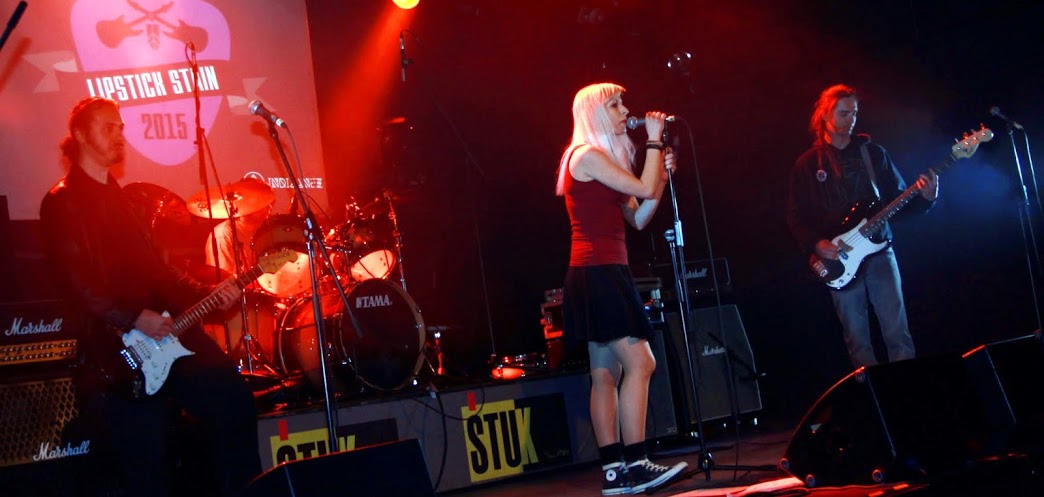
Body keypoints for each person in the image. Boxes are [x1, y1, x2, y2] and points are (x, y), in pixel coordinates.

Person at [39, 97, 262, 497]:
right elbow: (78, 284)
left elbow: (160, 272)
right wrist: (133, 318)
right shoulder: (62, 202)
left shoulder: (124, 201)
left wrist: (208, 293)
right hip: (118, 349)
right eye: (108, 127)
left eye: (120, 127)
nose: (119, 135)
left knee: (234, 400)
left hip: (169, 333)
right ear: (80, 135)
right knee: (146, 462)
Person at [555, 82, 687, 496]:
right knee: (641, 363)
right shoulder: (586, 156)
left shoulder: (603, 160)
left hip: (604, 270)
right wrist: (653, 142)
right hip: (598, 272)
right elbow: (641, 189)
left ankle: (615, 471)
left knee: (606, 373)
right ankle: (637, 462)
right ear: (595, 113)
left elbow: (640, 217)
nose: (625, 111)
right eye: (615, 105)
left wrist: (660, 175)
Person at [785, 84, 939, 368]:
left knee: (898, 333)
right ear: (825, 115)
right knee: (857, 340)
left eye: (854, 113)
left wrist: (926, 199)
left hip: (880, 252)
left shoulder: (873, 154)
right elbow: (796, 217)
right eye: (843, 114)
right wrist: (817, 244)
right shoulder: (807, 165)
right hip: (839, 260)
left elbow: (897, 202)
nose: (851, 120)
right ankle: (872, 393)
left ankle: (909, 389)